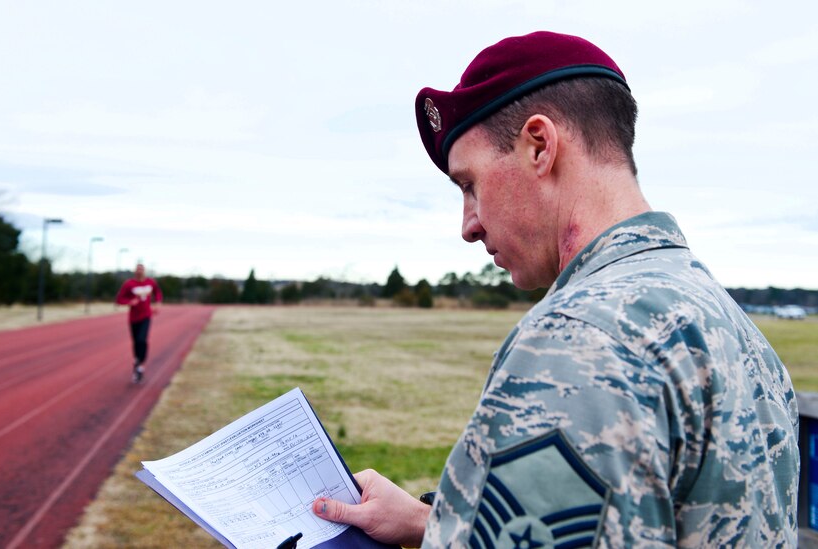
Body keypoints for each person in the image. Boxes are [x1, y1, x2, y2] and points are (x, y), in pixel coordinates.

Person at [311, 31, 800, 547]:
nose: (468, 225)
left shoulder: (579, 338)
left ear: (539, 146)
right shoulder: (721, 317)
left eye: (469, 184)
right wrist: (428, 522)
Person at [115, 262, 163, 383]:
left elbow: (158, 293)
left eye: (141, 269)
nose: (139, 271)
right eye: (137, 269)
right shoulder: (129, 284)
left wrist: (157, 303)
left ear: (144, 271)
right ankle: (137, 361)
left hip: (146, 315)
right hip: (133, 318)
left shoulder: (150, 282)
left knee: (142, 339)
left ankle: (141, 365)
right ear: (135, 271)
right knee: (136, 341)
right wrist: (129, 302)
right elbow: (119, 299)